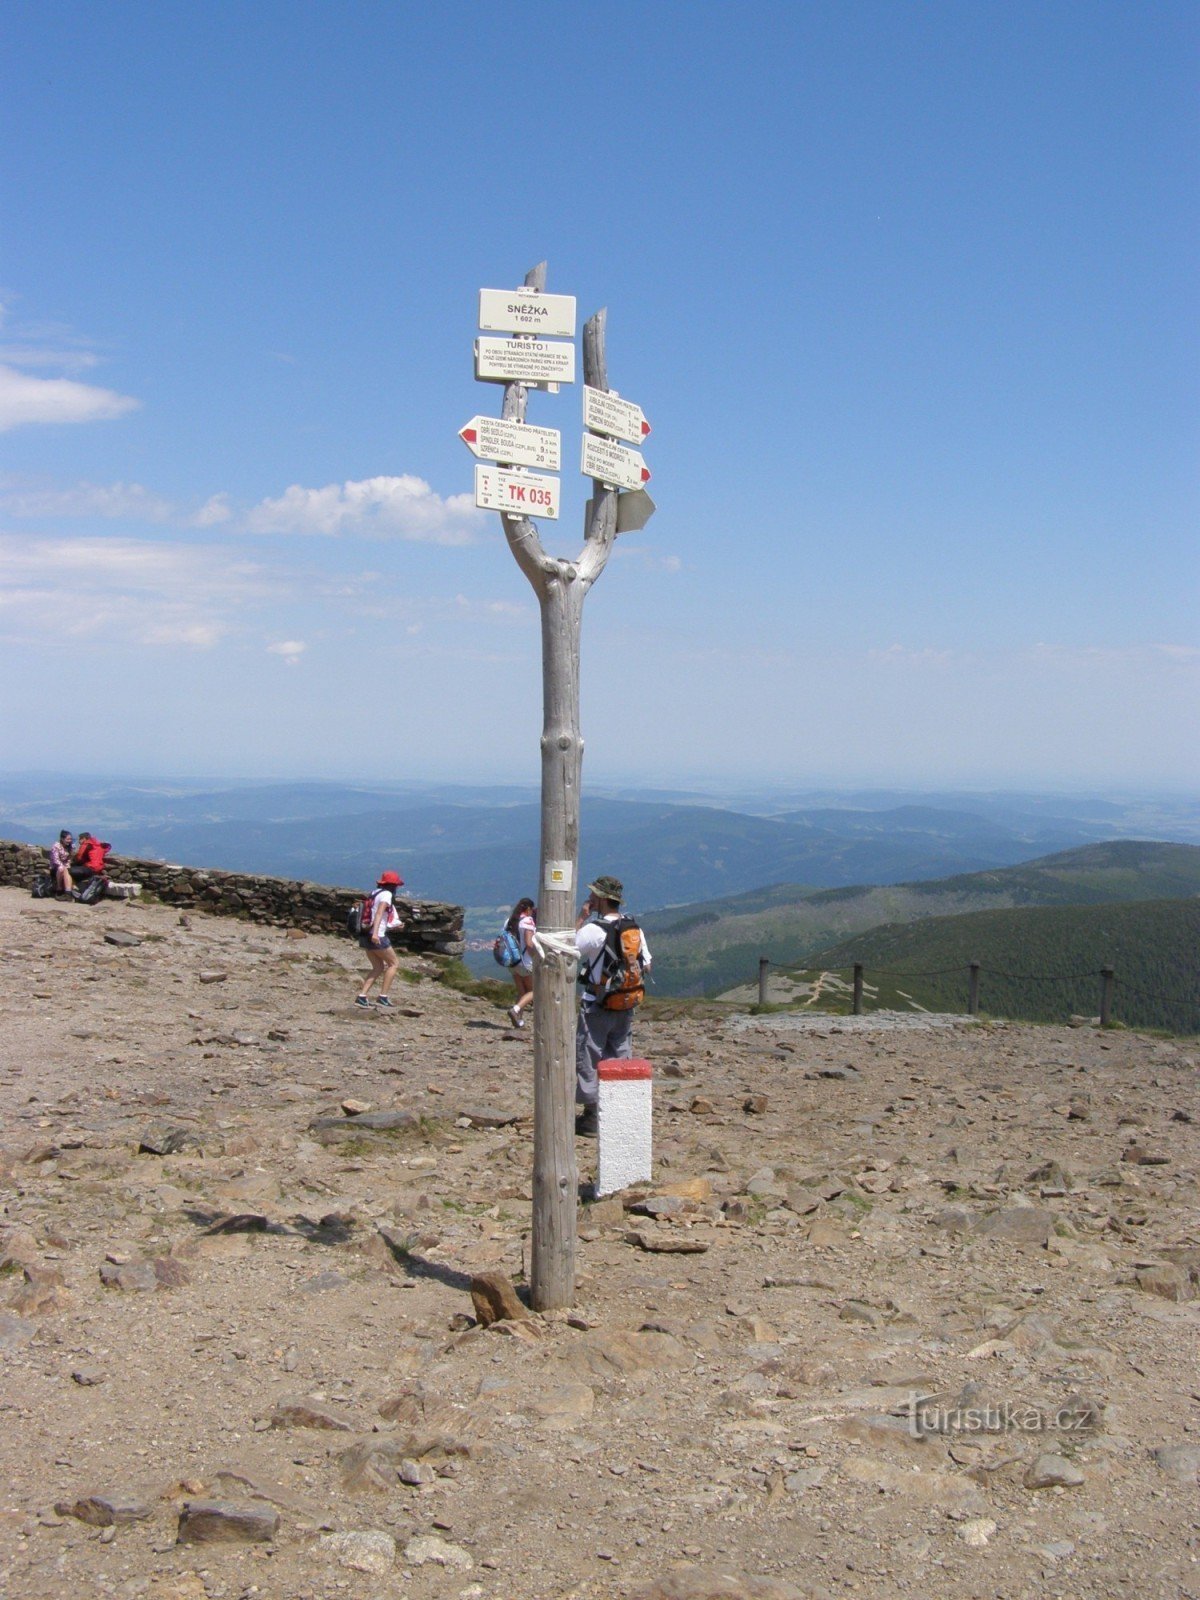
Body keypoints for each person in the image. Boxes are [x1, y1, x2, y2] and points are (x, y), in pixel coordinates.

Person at [573, 875, 651, 1137]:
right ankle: (617, 1115)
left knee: (590, 1055)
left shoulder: (595, 930)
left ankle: (592, 1118)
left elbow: (566, 950)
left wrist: (581, 918)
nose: (591, 898)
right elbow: (646, 963)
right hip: (626, 1003)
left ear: (603, 900)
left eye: (594, 895)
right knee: (620, 1054)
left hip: (598, 1004)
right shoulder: (633, 928)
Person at [355, 870, 405, 1008]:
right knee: (394, 964)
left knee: (377, 967)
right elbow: (379, 914)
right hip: (377, 935)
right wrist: (376, 933)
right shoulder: (387, 895)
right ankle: (383, 997)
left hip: (365, 934)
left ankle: (362, 996)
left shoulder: (374, 893)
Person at [505, 898, 537, 1028]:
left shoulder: (509, 921)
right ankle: (516, 1010)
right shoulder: (527, 921)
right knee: (535, 991)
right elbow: (529, 943)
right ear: (529, 909)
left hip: (512, 962)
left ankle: (518, 1021)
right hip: (525, 962)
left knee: (522, 992)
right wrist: (538, 957)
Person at [48, 830, 75, 896]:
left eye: (70, 839)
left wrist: (67, 865)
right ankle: (60, 888)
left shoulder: (70, 846)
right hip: (55, 867)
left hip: (65, 866)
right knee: (62, 869)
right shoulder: (56, 846)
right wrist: (63, 866)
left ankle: (67, 891)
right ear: (62, 839)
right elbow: (55, 860)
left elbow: (69, 858)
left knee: (66, 870)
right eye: (68, 839)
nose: (69, 841)